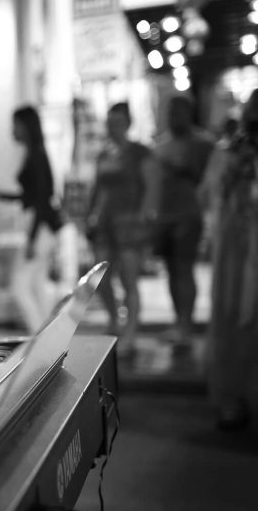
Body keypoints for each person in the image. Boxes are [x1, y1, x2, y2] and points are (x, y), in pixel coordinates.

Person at [200, 91, 258, 431]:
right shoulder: (229, 156)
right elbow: (211, 195)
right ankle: (233, 399)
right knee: (234, 320)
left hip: (241, 251)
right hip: (237, 254)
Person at [143, 94, 215, 349]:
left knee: (184, 269)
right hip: (164, 215)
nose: (174, 117)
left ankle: (186, 324)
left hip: (189, 214)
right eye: (171, 112)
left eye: (179, 112)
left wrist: (178, 167)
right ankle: (178, 322)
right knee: (172, 271)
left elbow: (206, 179)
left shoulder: (203, 143)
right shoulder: (161, 144)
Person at [86, 102, 152, 356]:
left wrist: (145, 217)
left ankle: (131, 332)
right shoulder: (105, 154)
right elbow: (98, 189)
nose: (113, 128)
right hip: (105, 222)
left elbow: (150, 186)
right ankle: (114, 319)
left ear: (127, 123)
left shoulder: (139, 152)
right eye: (110, 122)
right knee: (99, 276)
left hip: (129, 221)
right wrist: (91, 215)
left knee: (129, 279)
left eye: (117, 122)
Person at [0, 105, 67, 333]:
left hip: (40, 227)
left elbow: (40, 200)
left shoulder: (36, 155)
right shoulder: (35, 153)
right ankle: (50, 338)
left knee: (20, 287)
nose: (12, 130)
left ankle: (41, 341)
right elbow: (32, 196)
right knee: (36, 286)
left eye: (15, 125)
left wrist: (32, 238)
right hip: (41, 226)